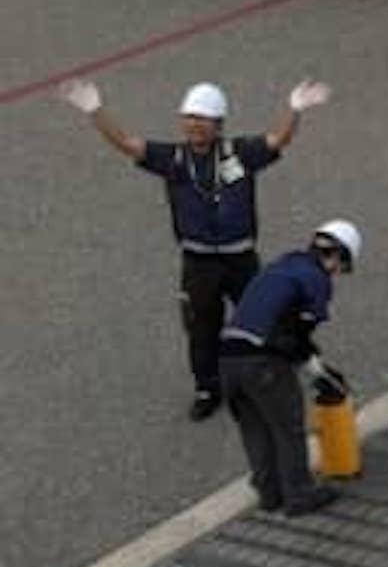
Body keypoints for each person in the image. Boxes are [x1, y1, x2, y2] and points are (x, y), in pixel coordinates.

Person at [59, 78, 331, 421]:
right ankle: (207, 387)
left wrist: (294, 109)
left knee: (264, 317)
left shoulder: (240, 154)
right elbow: (127, 144)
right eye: (188, 118)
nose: (193, 125)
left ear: (218, 125)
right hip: (198, 261)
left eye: (202, 119)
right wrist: (95, 111)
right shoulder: (174, 158)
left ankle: (276, 375)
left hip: (240, 258)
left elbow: (279, 139)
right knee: (201, 328)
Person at [218, 220, 361, 516]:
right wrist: (319, 372)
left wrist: (312, 361)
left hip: (228, 358)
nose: (337, 274)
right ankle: (299, 495)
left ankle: (270, 494)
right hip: (263, 362)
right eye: (342, 267)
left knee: (255, 428)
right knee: (288, 427)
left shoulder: (284, 266)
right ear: (336, 257)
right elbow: (293, 336)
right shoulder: (315, 279)